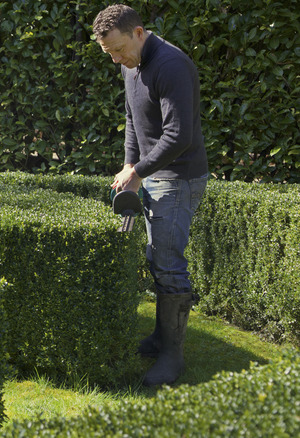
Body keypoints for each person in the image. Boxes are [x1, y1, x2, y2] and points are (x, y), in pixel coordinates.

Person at [92, 4, 209, 386]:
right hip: (152, 175)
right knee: (155, 256)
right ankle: (162, 338)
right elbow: (133, 121)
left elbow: (179, 136)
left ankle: (174, 357)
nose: (117, 60)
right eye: (109, 54)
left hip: (178, 178)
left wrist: (139, 171)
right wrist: (130, 168)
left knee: (169, 263)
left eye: (120, 50)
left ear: (139, 32)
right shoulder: (131, 65)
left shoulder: (171, 66)